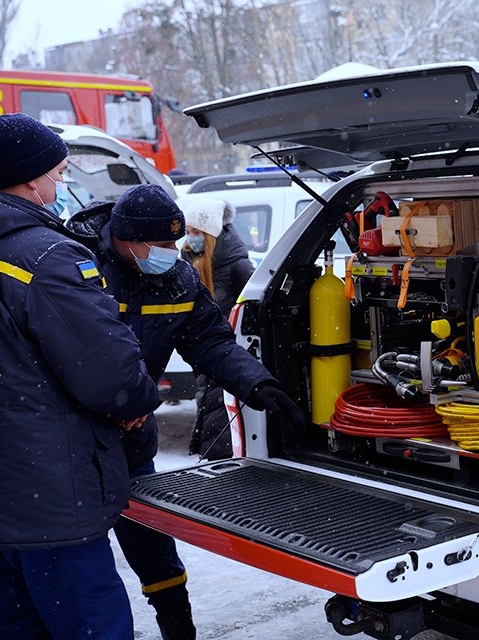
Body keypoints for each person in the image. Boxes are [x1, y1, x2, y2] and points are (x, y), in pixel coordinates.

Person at [66, 185, 305, 640]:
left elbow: (209, 341)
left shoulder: (177, 279)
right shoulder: (76, 269)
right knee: (81, 552)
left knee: (149, 533)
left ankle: (177, 621)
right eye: (162, 245)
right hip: (78, 439)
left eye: (177, 242)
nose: (175, 253)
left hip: (134, 436)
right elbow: (64, 354)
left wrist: (256, 383)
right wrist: (113, 405)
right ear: (126, 238)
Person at [0, 114, 159, 638]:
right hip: (52, 499)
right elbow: (111, 375)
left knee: (21, 627)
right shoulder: (45, 256)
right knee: (91, 627)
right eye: (60, 172)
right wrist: (134, 402)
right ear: (31, 179)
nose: (62, 183)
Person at [180, 199, 255, 459]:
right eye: (188, 232)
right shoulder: (191, 261)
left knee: (221, 415)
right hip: (202, 356)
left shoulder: (239, 266)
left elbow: (252, 314)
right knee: (211, 410)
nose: (191, 239)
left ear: (212, 234)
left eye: (197, 232)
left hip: (225, 354)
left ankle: (219, 461)